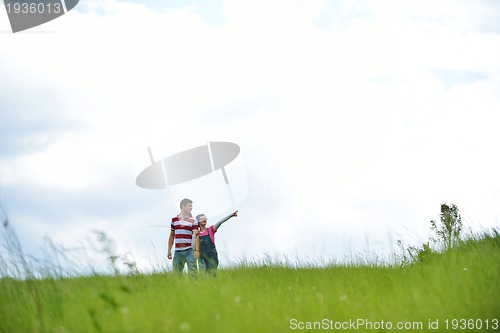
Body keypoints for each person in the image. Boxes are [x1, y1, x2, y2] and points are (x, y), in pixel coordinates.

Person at [196, 210, 238, 276]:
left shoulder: (210, 230)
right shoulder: (196, 234)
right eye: (202, 219)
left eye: (205, 218)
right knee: (203, 275)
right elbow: (194, 246)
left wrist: (230, 215)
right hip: (202, 257)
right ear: (198, 221)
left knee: (212, 274)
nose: (204, 220)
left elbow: (220, 222)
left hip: (212, 256)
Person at [168, 198, 200, 277]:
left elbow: (196, 236)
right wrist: (169, 250)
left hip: (190, 251)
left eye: (191, 206)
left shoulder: (193, 220)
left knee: (193, 274)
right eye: (189, 206)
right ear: (183, 206)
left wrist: (197, 250)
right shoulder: (174, 220)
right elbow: (172, 235)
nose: (191, 208)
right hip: (178, 252)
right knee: (176, 275)